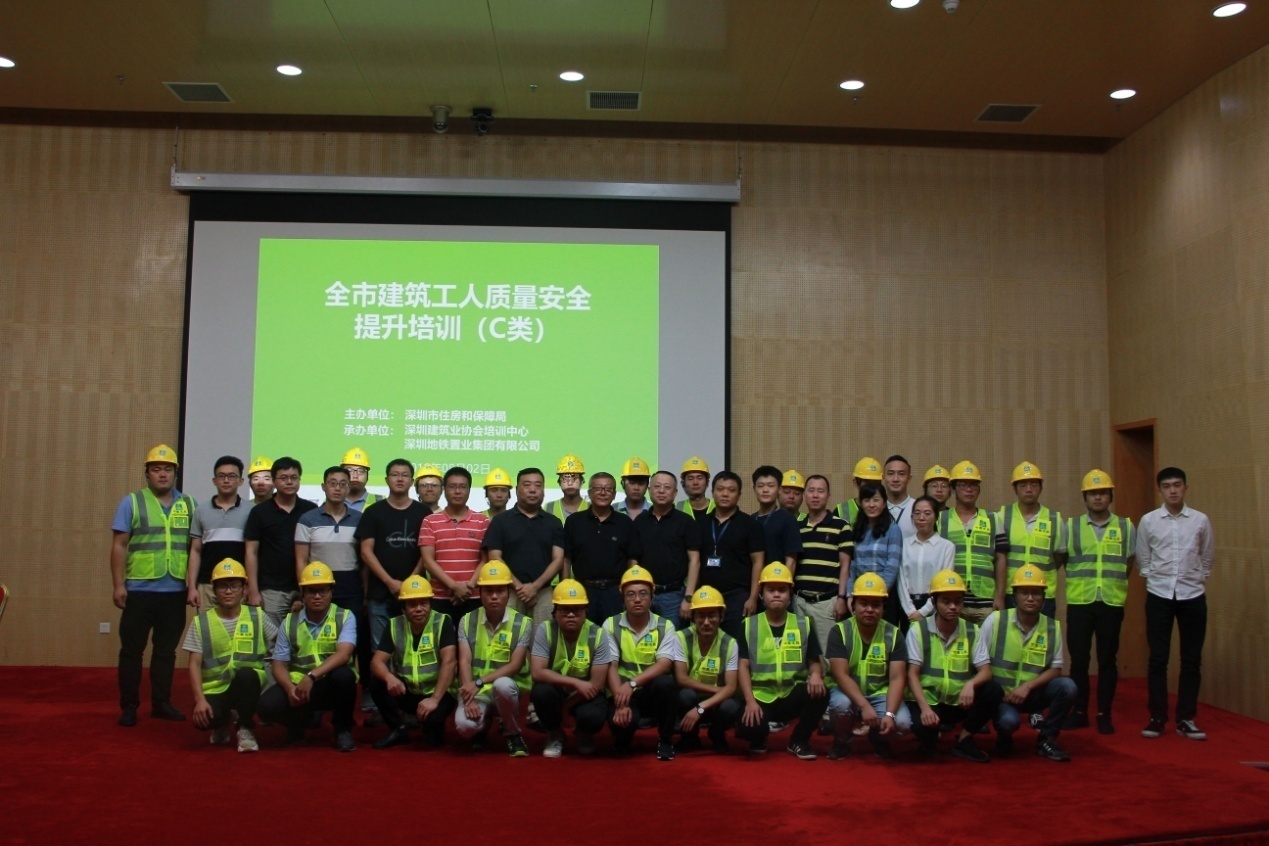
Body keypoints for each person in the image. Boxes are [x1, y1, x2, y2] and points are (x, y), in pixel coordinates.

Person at [111, 444, 195, 727]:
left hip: (174, 593)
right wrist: (118, 585)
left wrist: (192, 586)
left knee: (165, 652)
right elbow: (119, 546)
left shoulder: (190, 504)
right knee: (131, 651)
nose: (162, 474)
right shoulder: (132, 503)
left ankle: (161, 703)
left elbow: (195, 549)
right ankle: (129, 705)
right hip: (139, 591)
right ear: (147, 473)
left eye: (167, 469)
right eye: (156, 469)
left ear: (175, 473)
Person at [1137, 466, 1214, 741]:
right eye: (1167, 486)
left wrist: (1196, 578)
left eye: (1177, 485)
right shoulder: (1148, 521)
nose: (1173, 490)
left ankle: (1186, 718)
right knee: (1158, 659)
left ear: (1185, 488)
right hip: (1159, 595)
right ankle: (1157, 717)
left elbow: (1207, 557)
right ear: (1160, 490)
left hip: (1192, 595)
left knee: (1191, 660)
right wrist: (1156, 577)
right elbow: (1143, 558)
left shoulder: (1200, 520)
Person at [258, 562, 358, 751]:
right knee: (266, 706)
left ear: (331, 592)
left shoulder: (345, 616)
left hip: (328, 684)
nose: (317, 596)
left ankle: (342, 730)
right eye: (312, 591)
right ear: (303, 594)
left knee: (345, 677)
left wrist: (311, 676)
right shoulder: (289, 622)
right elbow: (278, 664)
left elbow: (344, 654)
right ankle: (297, 725)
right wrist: (289, 688)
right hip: (299, 686)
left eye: (323, 591)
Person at [1065, 469, 1136, 734]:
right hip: (1080, 602)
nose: (1098, 498)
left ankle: (1104, 713)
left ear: (1110, 496)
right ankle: (1080, 711)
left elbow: (1129, 562)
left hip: (1111, 602)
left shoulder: (1126, 527)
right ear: (1084, 497)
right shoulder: (1071, 526)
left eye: (1103, 493)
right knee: (1079, 661)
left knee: (1107, 660)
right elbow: (1063, 559)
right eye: (1092, 493)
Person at [906, 569, 1003, 762]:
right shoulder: (918, 630)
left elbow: (986, 672)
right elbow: (912, 675)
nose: (953, 607)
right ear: (933, 602)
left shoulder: (972, 631)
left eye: (958, 601)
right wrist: (925, 708)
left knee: (993, 690)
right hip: (930, 701)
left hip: (959, 702)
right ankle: (928, 739)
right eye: (946, 601)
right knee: (923, 729)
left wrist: (971, 684)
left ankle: (964, 740)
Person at [978, 567, 1074, 761]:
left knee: (1067, 687)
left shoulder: (1052, 627)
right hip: (1003, 697)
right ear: (1014, 596)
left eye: (1036, 593)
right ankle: (1004, 736)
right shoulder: (995, 621)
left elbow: (1056, 669)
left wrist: (1027, 687)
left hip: (1033, 693)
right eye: (1024, 593)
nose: (1030, 598)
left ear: (1043, 597)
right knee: (1008, 722)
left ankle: (1047, 738)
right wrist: (996, 692)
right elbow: (978, 661)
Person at [736, 563, 828, 759]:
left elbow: (814, 661)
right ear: (761, 594)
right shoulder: (749, 625)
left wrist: (815, 674)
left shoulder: (804, 624)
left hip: (790, 695)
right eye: (771, 590)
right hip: (761, 697)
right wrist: (750, 701)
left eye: (782, 590)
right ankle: (758, 738)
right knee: (748, 728)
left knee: (821, 692)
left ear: (790, 593)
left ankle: (799, 741)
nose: (776, 594)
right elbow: (742, 666)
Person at [183, 559, 276, 753]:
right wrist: (200, 700)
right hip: (217, 689)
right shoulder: (201, 623)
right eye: (223, 586)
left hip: (250, 686)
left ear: (244, 589)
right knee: (203, 720)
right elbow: (194, 665)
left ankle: (245, 727)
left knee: (246, 674)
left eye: (234, 586)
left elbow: (281, 646)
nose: (228, 591)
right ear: (214, 590)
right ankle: (223, 721)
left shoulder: (257, 616)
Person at [826, 573, 912, 760]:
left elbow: (897, 678)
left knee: (902, 723)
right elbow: (841, 676)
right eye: (864, 603)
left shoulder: (894, 634)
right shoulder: (839, 631)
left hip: (880, 694)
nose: (870, 610)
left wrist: (889, 713)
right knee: (840, 706)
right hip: (846, 693)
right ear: (853, 605)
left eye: (876, 605)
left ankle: (878, 738)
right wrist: (864, 706)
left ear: (883, 608)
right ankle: (842, 743)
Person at [367, 576, 458, 749]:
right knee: (376, 681)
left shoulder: (442, 622)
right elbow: (376, 662)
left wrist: (434, 699)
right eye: (412, 604)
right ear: (403, 607)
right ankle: (398, 729)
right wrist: (389, 677)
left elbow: (450, 662)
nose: (419, 609)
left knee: (433, 738)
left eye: (423, 603)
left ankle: (430, 723)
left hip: (439, 692)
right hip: (408, 690)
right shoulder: (394, 625)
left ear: (430, 604)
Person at [529, 579, 616, 757]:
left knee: (593, 716)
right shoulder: (545, 630)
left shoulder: (598, 634)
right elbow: (537, 672)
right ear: (555, 612)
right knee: (541, 692)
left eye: (577, 610)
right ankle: (555, 734)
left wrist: (566, 707)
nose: (571, 615)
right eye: (565, 610)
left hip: (586, 694)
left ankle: (583, 733)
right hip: (558, 690)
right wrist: (575, 683)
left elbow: (597, 684)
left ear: (585, 612)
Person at [455, 561, 532, 757]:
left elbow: (515, 665)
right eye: (489, 591)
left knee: (503, 685)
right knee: (465, 727)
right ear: (480, 593)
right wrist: (468, 698)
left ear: (509, 593)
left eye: (500, 591)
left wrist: (479, 682)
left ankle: (513, 734)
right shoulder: (467, 620)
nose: (494, 596)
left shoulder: (523, 623)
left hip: (506, 688)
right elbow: (464, 661)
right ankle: (482, 725)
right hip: (476, 690)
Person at [354, 459, 427, 666]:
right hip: (380, 593)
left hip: (415, 594)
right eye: (395, 475)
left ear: (412, 481)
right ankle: (383, 687)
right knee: (380, 649)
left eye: (405, 475)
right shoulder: (373, 512)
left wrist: (410, 581)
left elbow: (427, 552)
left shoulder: (423, 513)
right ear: (387, 480)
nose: (400, 479)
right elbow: (366, 552)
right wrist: (389, 582)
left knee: (412, 648)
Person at [604, 566, 679, 760]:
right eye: (631, 594)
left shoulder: (665, 626)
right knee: (622, 724)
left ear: (652, 597)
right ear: (623, 598)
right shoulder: (610, 624)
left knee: (666, 684)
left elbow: (664, 664)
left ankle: (666, 740)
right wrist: (620, 702)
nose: (637, 599)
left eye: (643, 594)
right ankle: (623, 738)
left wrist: (632, 683)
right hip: (623, 691)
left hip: (650, 690)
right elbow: (611, 666)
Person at [484, 467, 567, 631]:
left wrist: (535, 587)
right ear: (516, 490)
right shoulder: (500, 521)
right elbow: (494, 557)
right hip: (510, 592)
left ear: (544, 490)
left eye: (538, 485)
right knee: (508, 639)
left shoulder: (554, 522)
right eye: (527, 485)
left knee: (543, 641)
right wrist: (520, 588)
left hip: (543, 593)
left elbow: (558, 560)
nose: (533, 490)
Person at [244, 457, 317, 625]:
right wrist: (253, 591)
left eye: (294, 477)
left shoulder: (311, 510)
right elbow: (251, 552)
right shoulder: (260, 512)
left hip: (306, 587)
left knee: (302, 635)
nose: (289, 482)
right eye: (283, 478)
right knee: (271, 637)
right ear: (274, 481)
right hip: (270, 589)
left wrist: (308, 589)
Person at [670, 587, 741, 753]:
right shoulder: (680, 637)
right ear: (693, 617)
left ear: (721, 616)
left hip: (716, 702)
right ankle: (689, 738)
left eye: (712, 615)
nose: (707, 622)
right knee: (684, 695)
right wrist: (716, 690)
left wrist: (701, 707)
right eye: (701, 616)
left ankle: (717, 734)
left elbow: (731, 687)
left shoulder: (731, 644)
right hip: (693, 698)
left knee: (731, 706)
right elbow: (681, 678)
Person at [696, 471, 765, 639]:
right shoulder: (700, 524)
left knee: (735, 645)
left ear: (739, 495)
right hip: (705, 597)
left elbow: (758, 562)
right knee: (707, 644)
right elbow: (694, 561)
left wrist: (753, 597)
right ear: (712, 492)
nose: (725, 494)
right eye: (720, 489)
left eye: (731, 490)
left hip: (737, 597)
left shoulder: (750, 525)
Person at [563, 472, 640, 623]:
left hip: (615, 592)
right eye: (598, 488)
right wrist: (565, 588)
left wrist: (630, 591)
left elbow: (632, 560)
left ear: (614, 494)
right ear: (589, 493)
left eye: (608, 489)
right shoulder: (574, 522)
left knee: (614, 633)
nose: (603, 493)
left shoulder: (625, 523)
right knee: (585, 633)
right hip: (583, 590)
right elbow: (566, 559)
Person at [936, 461, 1006, 625]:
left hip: (986, 601)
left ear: (979, 490)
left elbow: (1001, 559)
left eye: (973, 485)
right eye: (963, 485)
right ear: (953, 490)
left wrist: (1000, 597)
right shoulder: (941, 520)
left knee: (988, 642)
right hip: (952, 599)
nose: (969, 489)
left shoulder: (993, 519)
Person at [793, 475, 853, 663]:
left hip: (827, 603)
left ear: (828, 496)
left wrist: (842, 598)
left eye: (820, 491)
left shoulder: (841, 526)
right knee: (800, 656)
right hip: (799, 602)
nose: (815, 495)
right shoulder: (797, 527)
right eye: (811, 491)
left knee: (827, 658)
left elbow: (845, 566)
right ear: (804, 495)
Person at [997, 462, 1067, 618]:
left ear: (1041, 488)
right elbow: (997, 557)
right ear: (1015, 489)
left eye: (1034, 484)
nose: (1028, 489)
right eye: (1023, 485)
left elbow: (1059, 556)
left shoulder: (1054, 519)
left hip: (1043, 593)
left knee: (1043, 633)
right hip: (1011, 592)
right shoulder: (1002, 516)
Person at [419, 467, 489, 620]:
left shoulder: (482, 521)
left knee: (471, 636)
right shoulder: (430, 521)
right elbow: (428, 561)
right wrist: (454, 586)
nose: (457, 491)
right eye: (452, 487)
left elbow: (485, 560)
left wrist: (468, 588)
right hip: (439, 597)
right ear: (444, 490)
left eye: (462, 487)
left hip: (474, 597)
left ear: (469, 490)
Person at [633, 470, 700, 625]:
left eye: (667, 487)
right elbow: (634, 559)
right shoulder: (639, 522)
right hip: (644, 594)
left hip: (674, 595)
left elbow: (694, 560)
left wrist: (688, 597)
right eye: (657, 486)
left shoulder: (685, 522)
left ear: (675, 492)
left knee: (672, 639)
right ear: (649, 490)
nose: (661, 491)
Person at [187, 455, 252, 610]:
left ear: (241, 481)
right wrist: (192, 587)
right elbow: (195, 551)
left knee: (238, 626)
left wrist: (250, 586)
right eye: (221, 476)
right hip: (207, 585)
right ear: (214, 480)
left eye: (232, 476)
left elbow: (254, 553)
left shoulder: (252, 511)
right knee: (207, 625)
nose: (226, 480)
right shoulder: (201, 511)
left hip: (239, 585)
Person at [848, 482, 904, 626]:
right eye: (867, 500)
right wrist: (850, 594)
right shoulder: (857, 529)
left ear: (884, 503)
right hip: (860, 594)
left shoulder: (893, 529)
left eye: (876, 500)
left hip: (884, 596)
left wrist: (879, 593)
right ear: (861, 504)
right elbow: (852, 566)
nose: (871, 505)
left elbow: (892, 566)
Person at [897, 496, 955, 626]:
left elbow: (944, 583)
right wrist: (910, 611)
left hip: (934, 606)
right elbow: (901, 581)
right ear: (912, 517)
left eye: (927, 513)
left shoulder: (946, 547)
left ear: (936, 517)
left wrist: (923, 612)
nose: (921, 518)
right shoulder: (904, 545)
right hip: (907, 608)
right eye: (917, 513)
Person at [751, 465, 801, 569]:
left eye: (771, 486)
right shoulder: (751, 520)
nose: (765, 490)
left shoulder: (787, 519)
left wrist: (786, 579)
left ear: (779, 489)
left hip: (778, 577)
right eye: (760, 486)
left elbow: (791, 561)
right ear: (754, 489)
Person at [836, 456, 883, 523]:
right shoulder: (841, 510)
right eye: (867, 481)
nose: (871, 486)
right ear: (856, 482)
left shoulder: (887, 508)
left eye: (875, 482)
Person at [544, 453, 588, 521]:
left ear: (582, 481)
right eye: (565, 478)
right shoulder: (549, 508)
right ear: (559, 482)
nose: (570, 483)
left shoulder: (591, 508)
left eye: (574, 478)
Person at [882, 455, 916, 538]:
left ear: (909, 478)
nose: (895, 479)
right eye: (890, 474)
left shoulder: (917, 508)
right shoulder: (876, 508)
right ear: (883, 477)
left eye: (901, 474)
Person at [342, 447, 380, 512]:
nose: (355, 476)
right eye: (350, 470)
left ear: (367, 475)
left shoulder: (380, 501)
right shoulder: (331, 502)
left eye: (361, 471)